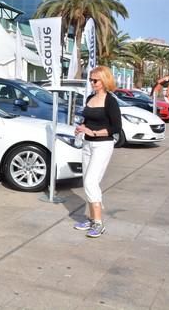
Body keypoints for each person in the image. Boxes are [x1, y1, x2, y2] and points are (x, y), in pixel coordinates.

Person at [74, 66, 122, 238]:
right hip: (87, 144)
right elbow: (87, 120)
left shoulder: (110, 101)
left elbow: (116, 128)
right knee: (87, 180)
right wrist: (82, 128)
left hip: (102, 145)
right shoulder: (90, 97)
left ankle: (99, 223)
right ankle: (91, 218)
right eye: (90, 80)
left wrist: (94, 132)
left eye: (95, 80)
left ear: (104, 81)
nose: (92, 83)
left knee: (91, 182)